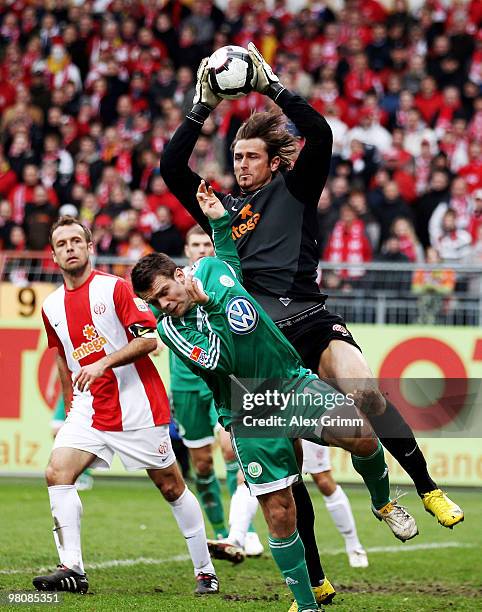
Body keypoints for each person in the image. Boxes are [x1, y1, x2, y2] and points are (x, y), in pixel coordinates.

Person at [159, 43, 464, 609]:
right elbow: (170, 168)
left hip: (309, 315)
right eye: (237, 156)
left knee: (366, 394)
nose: (242, 164)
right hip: (263, 341)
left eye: (251, 156)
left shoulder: (294, 187)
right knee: (287, 470)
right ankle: (317, 579)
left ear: (274, 160)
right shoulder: (220, 210)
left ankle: (424, 489)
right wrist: (201, 106)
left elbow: (318, 133)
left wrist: (272, 86)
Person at [132, 181, 418, 612]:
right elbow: (221, 359)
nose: (163, 305)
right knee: (282, 511)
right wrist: (208, 306)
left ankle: (382, 503)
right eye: (153, 302)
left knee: (362, 432)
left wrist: (220, 221)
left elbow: (228, 262)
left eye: (165, 293)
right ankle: (307, 605)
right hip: (249, 408)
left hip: (291, 382)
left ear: (179, 274)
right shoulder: (173, 330)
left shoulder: (208, 269)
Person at [34, 216, 219, 596]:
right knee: (57, 472)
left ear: (89, 247)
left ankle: (205, 570)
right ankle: (72, 568)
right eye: (62, 244)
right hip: (90, 408)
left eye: (76, 241)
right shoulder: (51, 305)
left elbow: (150, 339)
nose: (70, 248)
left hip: (138, 407)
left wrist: (104, 361)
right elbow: (62, 357)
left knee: (171, 486)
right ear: (53, 255)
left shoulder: (114, 289)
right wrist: (71, 406)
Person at [170, 224, 264, 557]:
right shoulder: (171, 292)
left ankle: (245, 530)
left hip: (223, 381)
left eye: (208, 244)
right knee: (202, 465)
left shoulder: (222, 280)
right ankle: (223, 532)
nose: (202, 250)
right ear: (187, 250)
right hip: (185, 387)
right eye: (196, 244)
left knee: (231, 449)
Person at [301, 441, 368, 568]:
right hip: (273, 424)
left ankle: (354, 545)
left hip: (302, 425)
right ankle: (251, 534)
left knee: (324, 482)